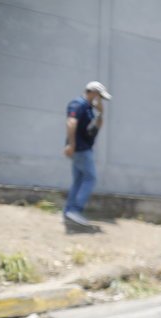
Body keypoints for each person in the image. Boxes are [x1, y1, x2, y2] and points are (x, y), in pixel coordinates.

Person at [62, 81, 112, 227]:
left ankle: (69, 211)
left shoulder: (89, 108)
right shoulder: (78, 104)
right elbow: (71, 122)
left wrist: (101, 112)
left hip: (83, 148)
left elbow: (96, 127)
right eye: (100, 96)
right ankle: (75, 210)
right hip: (81, 149)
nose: (100, 99)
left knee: (79, 180)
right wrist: (71, 144)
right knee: (90, 178)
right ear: (93, 93)